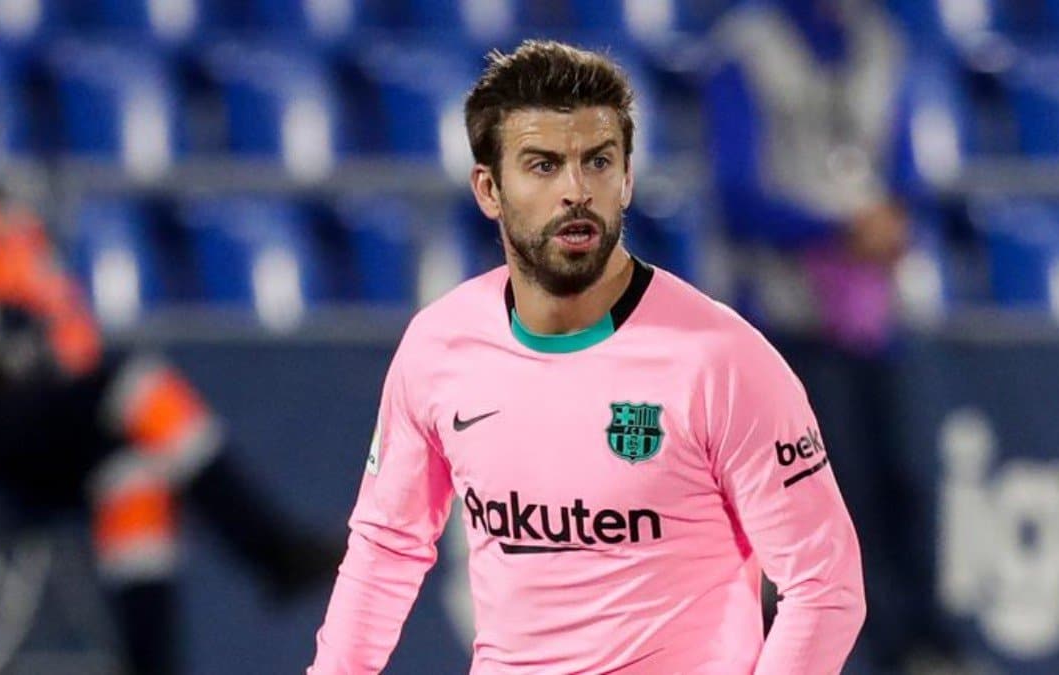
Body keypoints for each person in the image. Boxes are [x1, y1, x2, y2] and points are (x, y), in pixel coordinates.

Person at [309, 40, 865, 674]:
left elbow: (826, 585)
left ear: (626, 179)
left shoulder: (724, 362)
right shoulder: (439, 348)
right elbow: (387, 548)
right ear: (489, 190)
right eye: (543, 166)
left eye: (597, 162)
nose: (576, 190)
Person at [0, 91, 340, 675]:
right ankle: (270, 549)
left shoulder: (5, 227)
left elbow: (68, 331)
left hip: (21, 422)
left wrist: (14, 337)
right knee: (131, 380)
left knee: (133, 471)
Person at [706, 1, 962, 672]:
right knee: (818, 497)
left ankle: (914, 644)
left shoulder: (880, 41)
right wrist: (836, 231)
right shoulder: (746, 47)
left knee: (904, 478)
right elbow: (735, 194)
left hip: (877, 314)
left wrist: (891, 224)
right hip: (787, 321)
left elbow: (907, 174)